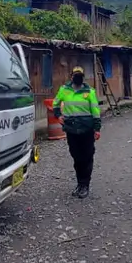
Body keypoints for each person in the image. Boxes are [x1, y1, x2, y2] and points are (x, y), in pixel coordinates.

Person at [52, 66, 102, 198]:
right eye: (75, 74)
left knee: (87, 157)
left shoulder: (89, 91)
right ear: (71, 76)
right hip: (71, 130)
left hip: (87, 129)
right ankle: (80, 184)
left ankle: (85, 185)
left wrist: (97, 129)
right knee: (76, 157)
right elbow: (56, 103)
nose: (78, 77)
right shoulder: (64, 90)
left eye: (80, 74)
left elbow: (95, 111)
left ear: (83, 77)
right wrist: (58, 116)